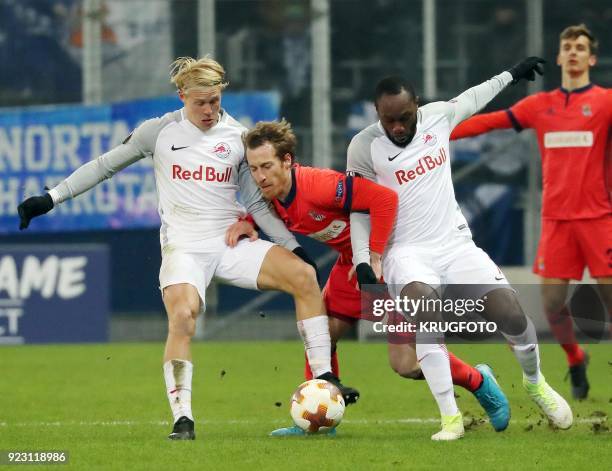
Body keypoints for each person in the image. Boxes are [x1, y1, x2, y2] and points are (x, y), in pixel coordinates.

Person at [16, 56, 358, 441]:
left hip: (229, 243)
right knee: (182, 317)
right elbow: (103, 166)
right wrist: (51, 198)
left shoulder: (237, 137)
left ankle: (326, 380)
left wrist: (291, 247)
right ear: (182, 96)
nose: (209, 110)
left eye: (214, 100)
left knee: (305, 275)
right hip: (184, 246)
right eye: (200, 103)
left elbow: (257, 203)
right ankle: (183, 419)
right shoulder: (157, 132)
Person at [227, 119, 510, 436]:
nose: (260, 176)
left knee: (405, 364)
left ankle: (479, 380)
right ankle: (318, 421)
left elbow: (384, 200)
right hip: (349, 266)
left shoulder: (318, 185)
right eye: (253, 168)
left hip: (388, 263)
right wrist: (245, 221)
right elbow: (259, 209)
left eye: (266, 166)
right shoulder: (271, 194)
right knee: (322, 332)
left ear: (287, 161)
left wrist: (373, 255)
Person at [347, 56, 573, 440]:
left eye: (405, 116)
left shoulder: (438, 117)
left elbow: (474, 96)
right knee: (426, 314)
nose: (398, 127)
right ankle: (450, 418)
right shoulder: (363, 146)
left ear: (417, 105)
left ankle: (535, 382)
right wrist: (364, 259)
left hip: (454, 243)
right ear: (377, 114)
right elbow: (359, 208)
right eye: (390, 120)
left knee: (512, 314)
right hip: (407, 251)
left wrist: (512, 74)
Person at [450, 24, 612, 400]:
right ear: (558, 57)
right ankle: (575, 357)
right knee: (553, 305)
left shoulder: (605, 102)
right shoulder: (541, 106)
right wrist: (434, 132)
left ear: (591, 58)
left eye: (580, 47)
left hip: (598, 220)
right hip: (556, 221)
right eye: (566, 46)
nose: (572, 52)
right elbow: (488, 122)